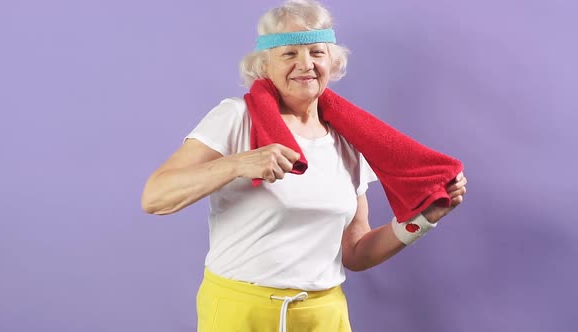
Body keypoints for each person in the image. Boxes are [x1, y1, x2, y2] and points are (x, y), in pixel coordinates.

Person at [141, 0, 467, 331]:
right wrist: (238, 164)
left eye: (316, 52)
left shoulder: (350, 140)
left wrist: (424, 219)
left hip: (324, 317)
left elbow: (355, 252)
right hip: (241, 314)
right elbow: (155, 196)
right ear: (264, 64)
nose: (305, 64)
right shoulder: (236, 118)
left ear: (332, 61)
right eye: (289, 53)